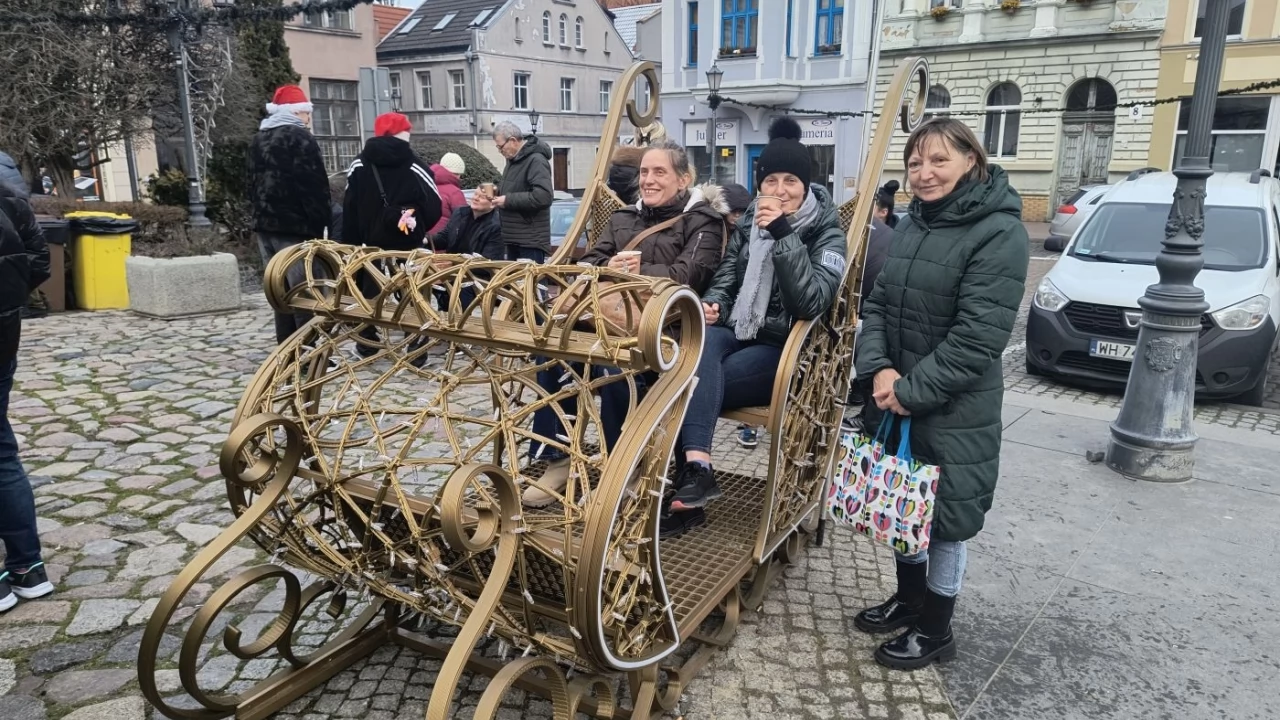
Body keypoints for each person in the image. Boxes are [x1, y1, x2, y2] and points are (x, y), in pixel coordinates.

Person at [853, 117, 1028, 671]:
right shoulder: (915, 223)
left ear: (970, 161)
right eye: (915, 164)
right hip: (896, 396)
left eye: (938, 161)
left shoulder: (999, 232)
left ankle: (936, 629)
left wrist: (912, 390)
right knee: (907, 504)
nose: (923, 174)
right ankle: (909, 600)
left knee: (945, 522)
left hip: (954, 406)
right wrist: (879, 369)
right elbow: (877, 304)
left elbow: (979, 336)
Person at [661, 117, 847, 536]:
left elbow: (809, 303)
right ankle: (698, 472)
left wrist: (782, 233)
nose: (779, 191)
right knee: (691, 349)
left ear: (806, 186)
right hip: (738, 329)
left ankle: (688, 491)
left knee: (685, 380)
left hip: (785, 348)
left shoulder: (828, 233)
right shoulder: (748, 224)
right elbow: (728, 274)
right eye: (771, 181)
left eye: (790, 181)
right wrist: (713, 303)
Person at [522, 140, 731, 508]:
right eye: (645, 172)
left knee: (611, 363)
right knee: (554, 354)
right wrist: (607, 268)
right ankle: (557, 456)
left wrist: (636, 273)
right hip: (607, 319)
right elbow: (592, 261)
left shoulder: (703, 222)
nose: (649, 180)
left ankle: (621, 465)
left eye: (659, 172)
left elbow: (688, 277)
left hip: (666, 330)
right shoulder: (623, 218)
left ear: (683, 180)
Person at [343, 112, 443, 358]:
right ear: (401, 133)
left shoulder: (359, 164)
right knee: (412, 293)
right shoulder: (414, 164)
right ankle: (416, 347)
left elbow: (349, 207)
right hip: (406, 243)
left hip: (369, 245)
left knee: (367, 293)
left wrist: (352, 242)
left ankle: (366, 342)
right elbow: (434, 205)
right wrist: (417, 228)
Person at [0, 180, 54, 612]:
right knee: (1, 450)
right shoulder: (6, 191)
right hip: (3, 330)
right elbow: (39, 260)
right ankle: (26, 568)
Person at [247, 84, 332, 344]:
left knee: (278, 290)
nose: (309, 118)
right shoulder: (300, 138)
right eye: (307, 113)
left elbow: (251, 184)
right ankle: (307, 351)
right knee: (304, 290)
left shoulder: (259, 139)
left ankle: (286, 347)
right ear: (298, 112)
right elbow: (313, 185)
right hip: (297, 227)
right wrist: (321, 226)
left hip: (265, 226)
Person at [718, 182, 765, 450]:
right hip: (728, 323)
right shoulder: (718, 232)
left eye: (740, 212)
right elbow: (722, 281)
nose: (735, 219)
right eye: (731, 214)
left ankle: (750, 426)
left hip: (760, 332)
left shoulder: (748, 232)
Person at [433, 189, 505, 309]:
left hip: (475, 276)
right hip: (451, 271)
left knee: (463, 288)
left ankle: (457, 321)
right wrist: (423, 239)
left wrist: (455, 265)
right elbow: (444, 238)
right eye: (475, 194)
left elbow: (488, 263)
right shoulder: (460, 213)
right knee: (420, 276)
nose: (476, 198)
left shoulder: (496, 226)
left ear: (493, 203)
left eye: (482, 197)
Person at [491, 122, 553, 262]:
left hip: (530, 239)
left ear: (513, 140)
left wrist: (507, 200)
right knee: (517, 283)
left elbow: (544, 196)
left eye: (501, 147)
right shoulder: (513, 160)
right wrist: (496, 192)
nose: (500, 151)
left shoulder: (536, 160)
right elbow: (516, 187)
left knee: (531, 283)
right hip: (514, 236)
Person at [428, 152, 467, 239]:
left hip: (424, 239)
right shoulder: (455, 192)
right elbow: (463, 220)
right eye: (459, 174)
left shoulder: (426, 185)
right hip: (443, 242)